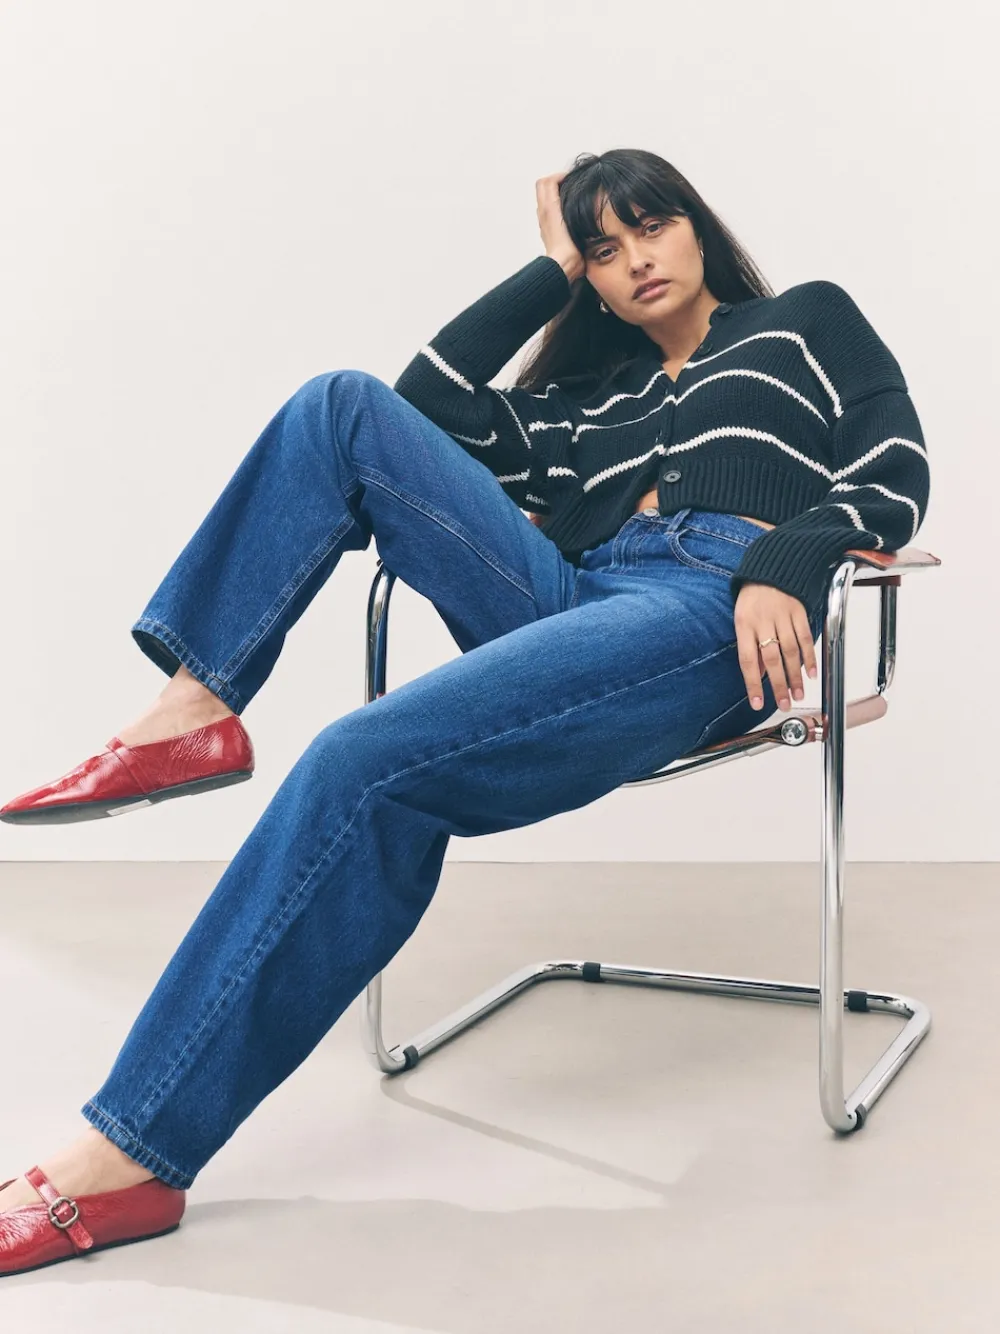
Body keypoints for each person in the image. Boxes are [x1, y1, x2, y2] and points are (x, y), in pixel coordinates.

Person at [0, 147, 930, 1275]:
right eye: (602, 250)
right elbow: (423, 404)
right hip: (570, 599)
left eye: (651, 226)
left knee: (357, 760)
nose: (635, 259)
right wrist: (546, 273)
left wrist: (790, 556)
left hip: (708, 606)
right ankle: (193, 704)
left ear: (697, 226)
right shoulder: (587, 401)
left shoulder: (802, 323)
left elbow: (893, 461)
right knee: (341, 405)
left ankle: (128, 1153)